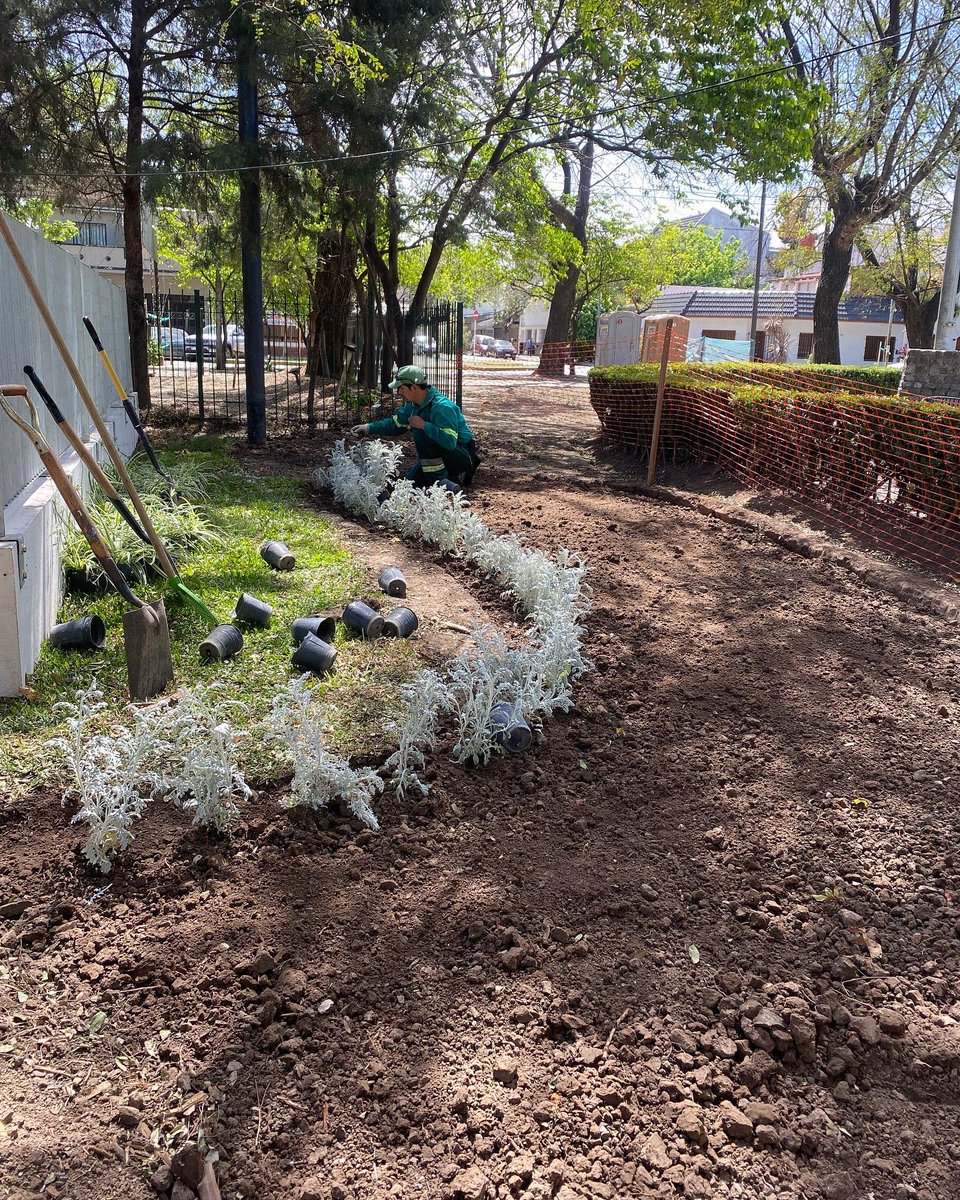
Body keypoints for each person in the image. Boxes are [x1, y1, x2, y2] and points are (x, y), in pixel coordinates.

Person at [351, 364, 481, 487]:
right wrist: (368, 427)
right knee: (408, 483)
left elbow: (450, 441)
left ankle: (441, 482)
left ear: (414, 387)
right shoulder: (413, 405)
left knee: (420, 431)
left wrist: (424, 425)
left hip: (461, 454)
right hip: (437, 456)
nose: (399, 392)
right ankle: (441, 479)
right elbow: (395, 423)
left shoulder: (442, 406)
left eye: (401, 388)